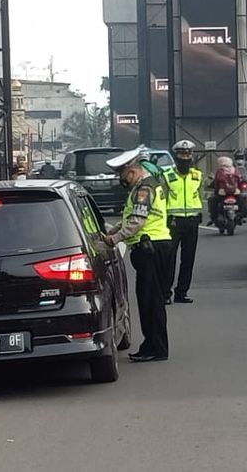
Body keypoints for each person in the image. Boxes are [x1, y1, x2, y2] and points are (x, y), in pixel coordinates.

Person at [103, 148, 172, 362]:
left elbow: (137, 222)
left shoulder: (143, 189)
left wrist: (114, 239)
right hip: (154, 246)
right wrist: (111, 232)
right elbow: (130, 218)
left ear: (132, 170)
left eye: (122, 175)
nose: (120, 180)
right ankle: (151, 344)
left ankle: (156, 347)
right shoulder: (147, 186)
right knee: (150, 299)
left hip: (150, 248)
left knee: (151, 301)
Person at [163, 140, 203, 305]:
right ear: (176, 157)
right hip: (173, 222)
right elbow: (162, 198)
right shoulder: (168, 176)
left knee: (188, 259)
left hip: (192, 221)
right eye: (182, 155)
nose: (185, 159)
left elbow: (200, 195)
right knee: (169, 259)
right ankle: (166, 293)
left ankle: (182, 292)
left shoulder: (197, 175)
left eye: (188, 155)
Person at [207, 156, 247, 225]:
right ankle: (242, 216)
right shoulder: (235, 171)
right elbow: (240, 182)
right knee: (243, 199)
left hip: (222, 194)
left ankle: (213, 218)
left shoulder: (220, 172)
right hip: (235, 193)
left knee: (212, 200)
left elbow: (216, 184)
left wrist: (216, 191)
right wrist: (240, 190)